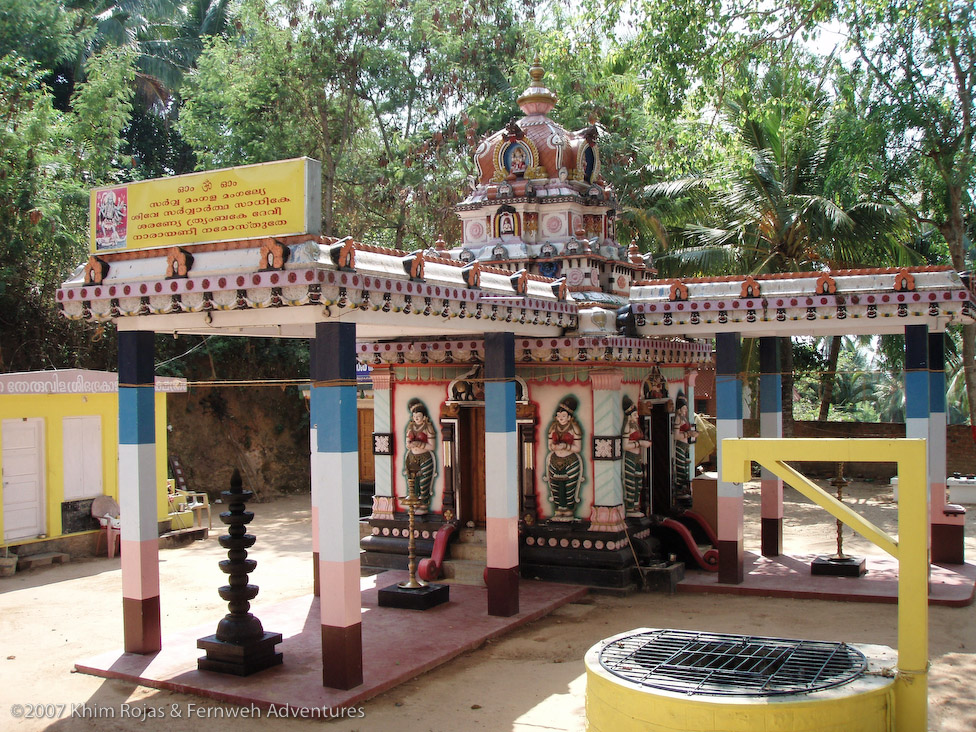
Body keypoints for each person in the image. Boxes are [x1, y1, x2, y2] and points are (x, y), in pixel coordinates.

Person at [545, 396, 583, 521]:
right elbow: (549, 445)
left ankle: (569, 510)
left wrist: (566, 446)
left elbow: (577, 448)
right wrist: (555, 446)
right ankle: (558, 510)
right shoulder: (553, 428)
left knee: (569, 488)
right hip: (555, 461)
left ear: (569, 417)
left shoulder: (574, 428)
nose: (561, 418)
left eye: (563, 416)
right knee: (556, 488)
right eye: (559, 416)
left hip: (570, 461)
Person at [404, 399, 437, 512]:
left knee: (424, 482)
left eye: (418, 416)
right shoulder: (410, 428)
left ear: (424, 417)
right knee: (413, 482)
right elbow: (407, 443)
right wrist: (410, 444)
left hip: (425, 457)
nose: (416, 418)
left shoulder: (428, 428)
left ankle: (424, 503)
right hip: (412, 457)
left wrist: (419, 444)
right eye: (414, 416)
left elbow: (432, 446)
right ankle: (415, 503)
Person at [622, 396, 651, 517]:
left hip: (637, 457)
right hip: (629, 457)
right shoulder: (627, 426)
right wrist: (640, 443)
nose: (637, 417)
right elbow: (624, 445)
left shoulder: (636, 425)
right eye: (634, 415)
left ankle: (635, 506)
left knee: (638, 482)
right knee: (630, 483)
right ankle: (629, 508)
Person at [672, 393, 698, 499]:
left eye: (685, 408)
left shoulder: (684, 418)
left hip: (685, 445)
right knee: (681, 468)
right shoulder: (678, 418)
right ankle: (680, 489)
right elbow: (676, 435)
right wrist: (688, 434)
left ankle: (685, 489)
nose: (685, 410)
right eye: (683, 407)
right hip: (680, 445)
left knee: (686, 467)